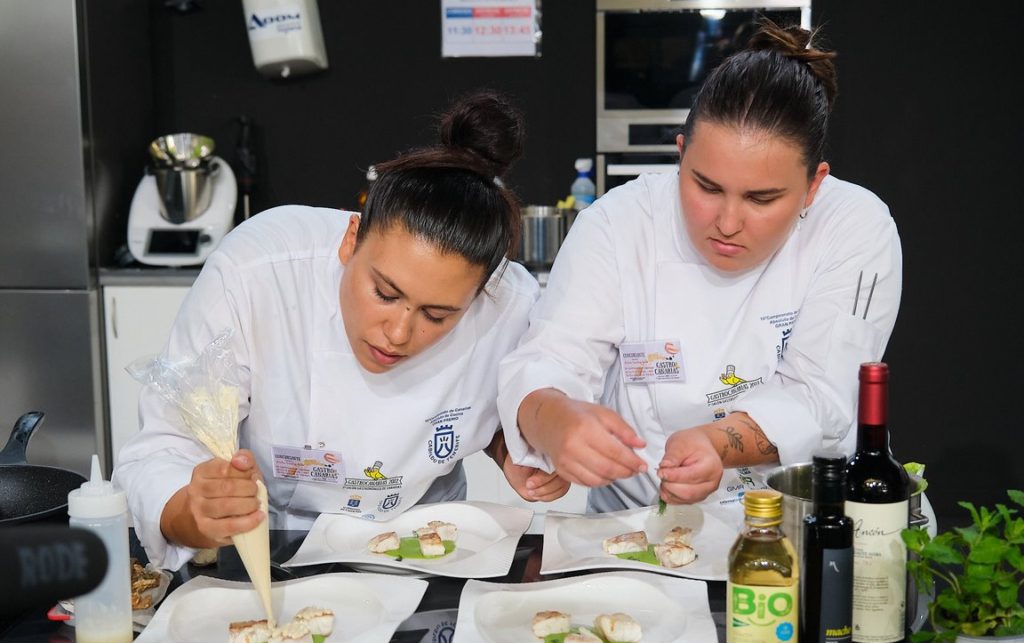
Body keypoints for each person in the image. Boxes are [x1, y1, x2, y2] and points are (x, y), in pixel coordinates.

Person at [114, 91, 569, 569]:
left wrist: (512, 451)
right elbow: (165, 446)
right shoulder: (258, 272)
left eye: (437, 316)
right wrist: (194, 510)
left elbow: (494, 402)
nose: (397, 332)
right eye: (385, 293)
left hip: (427, 547)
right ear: (351, 240)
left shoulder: (510, 303)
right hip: (274, 546)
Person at [497, 21, 902, 522]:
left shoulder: (854, 227)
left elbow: (822, 395)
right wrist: (555, 422)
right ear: (681, 152)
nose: (728, 223)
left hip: (795, 525)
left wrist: (717, 442)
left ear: (813, 185)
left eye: (762, 198)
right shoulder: (618, 223)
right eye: (706, 187)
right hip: (636, 530)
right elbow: (550, 360)